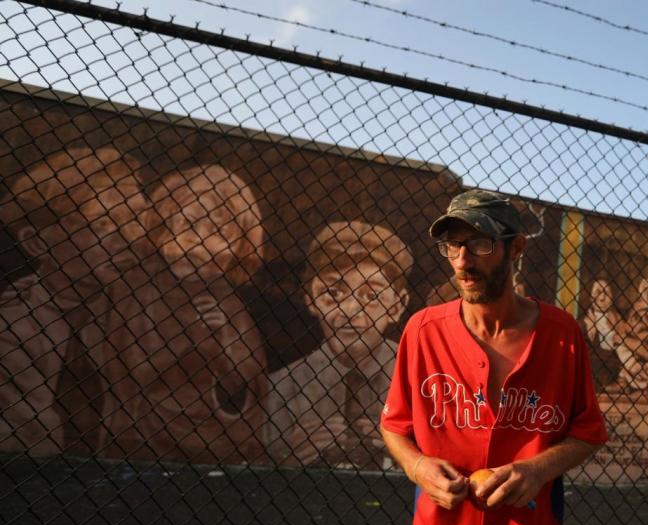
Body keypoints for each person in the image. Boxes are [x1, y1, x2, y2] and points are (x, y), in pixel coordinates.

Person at [380, 189, 608, 525]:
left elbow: (588, 432)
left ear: (516, 247)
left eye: (480, 243)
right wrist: (420, 466)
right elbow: (394, 425)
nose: (463, 260)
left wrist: (536, 469)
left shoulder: (562, 336)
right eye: (453, 245)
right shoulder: (422, 332)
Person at [103, 163, 268, 464]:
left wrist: (223, 346)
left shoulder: (227, 301)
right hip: (142, 440)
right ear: (165, 226)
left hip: (216, 444)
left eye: (218, 233)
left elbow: (248, 383)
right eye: (190, 225)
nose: (198, 242)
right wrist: (194, 345)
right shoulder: (138, 288)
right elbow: (128, 371)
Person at [0, 147, 148, 455]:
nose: (129, 239)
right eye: (104, 223)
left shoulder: (138, 315)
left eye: (137, 220)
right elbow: (32, 443)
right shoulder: (14, 329)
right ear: (37, 241)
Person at [266, 221, 412, 469]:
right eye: (333, 293)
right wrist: (284, 459)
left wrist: (408, 456)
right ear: (311, 300)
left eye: (372, 296)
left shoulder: (420, 377)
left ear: (397, 306)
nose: (350, 311)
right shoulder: (282, 386)